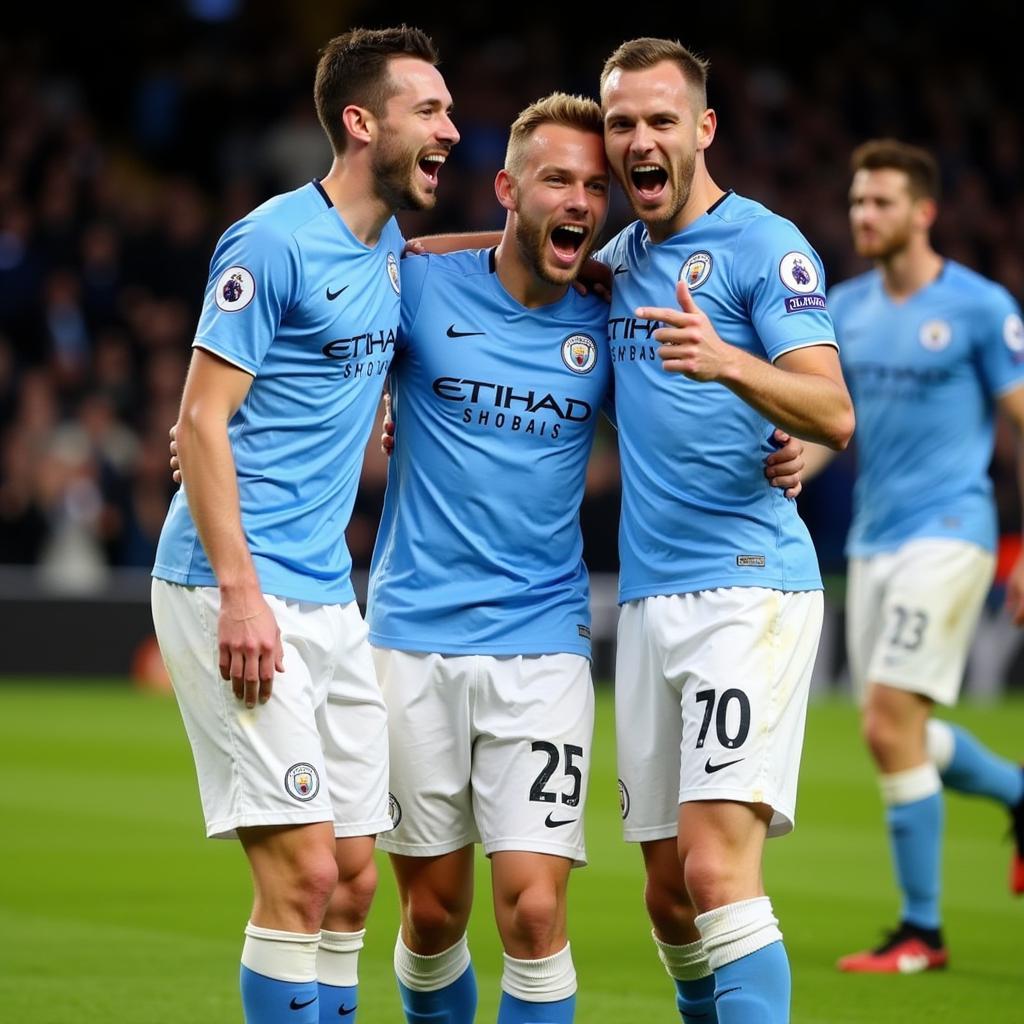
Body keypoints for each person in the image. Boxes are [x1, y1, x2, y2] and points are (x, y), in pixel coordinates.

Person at [150, 26, 458, 1024]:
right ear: (363, 123)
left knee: (357, 874)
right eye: (430, 111)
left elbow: (442, 262)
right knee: (301, 876)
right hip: (232, 584)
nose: (452, 129)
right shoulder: (272, 240)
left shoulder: (387, 254)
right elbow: (199, 421)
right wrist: (240, 596)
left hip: (328, 593)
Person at [595, 37, 854, 1024]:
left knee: (714, 867)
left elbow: (831, 412)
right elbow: (505, 259)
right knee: (666, 891)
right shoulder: (616, 263)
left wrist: (728, 361)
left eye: (661, 119)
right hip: (651, 596)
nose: (640, 139)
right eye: (622, 123)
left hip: (748, 586)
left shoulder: (765, 246)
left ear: (702, 130)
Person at [369, 92, 611, 1024]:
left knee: (536, 910)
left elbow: (690, 422)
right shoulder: (420, 285)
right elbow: (333, 299)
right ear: (509, 188)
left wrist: (790, 451)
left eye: (595, 185)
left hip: (542, 641)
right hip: (410, 637)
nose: (581, 201)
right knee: (432, 917)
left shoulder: (613, 312)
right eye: (557, 179)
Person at [800, 139, 1024, 973]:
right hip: (873, 539)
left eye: (883, 202)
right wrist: (790, 471)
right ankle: (1016, 791)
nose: (865, 215)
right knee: (897, 733)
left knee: (886, 720)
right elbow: (836, 425)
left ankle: (922, 933)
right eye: (858, 201)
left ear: (923, 212)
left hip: (952, 532)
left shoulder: (978, 306)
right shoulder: (846, 309)